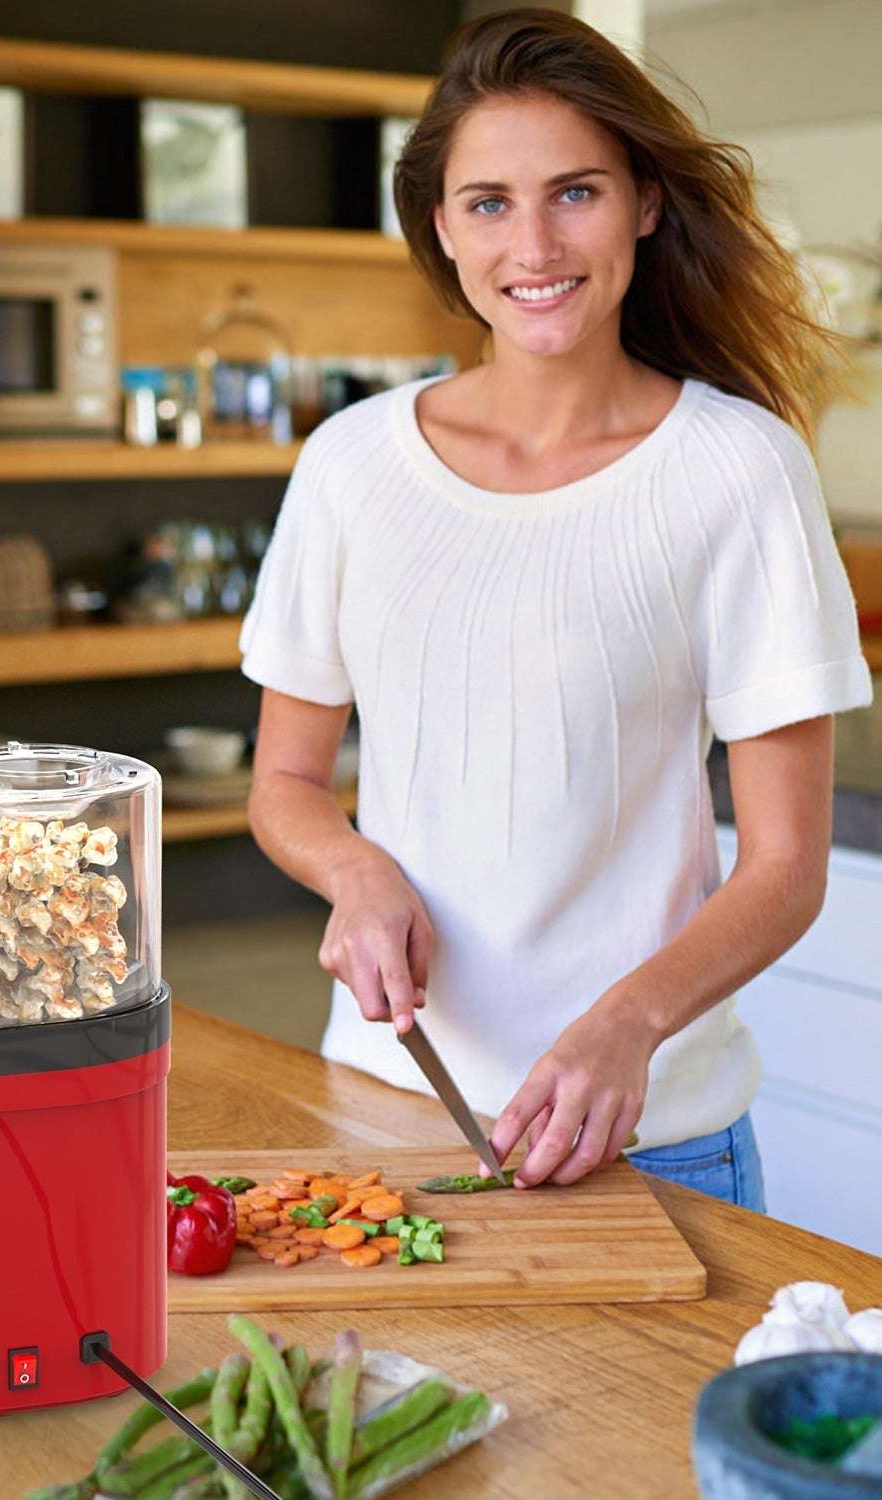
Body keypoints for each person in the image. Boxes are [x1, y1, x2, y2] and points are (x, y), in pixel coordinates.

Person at [240, 8, 872, 1209]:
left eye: (574, 192)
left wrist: (625, 1025)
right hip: (384, 1109)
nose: (532, 243)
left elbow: (787, 865)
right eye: (488, 203)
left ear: (642, 201)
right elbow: (286, 785)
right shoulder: (351, 465)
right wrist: (357, 873)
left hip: (652, 1134)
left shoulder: (738, 469)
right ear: (440, 225)